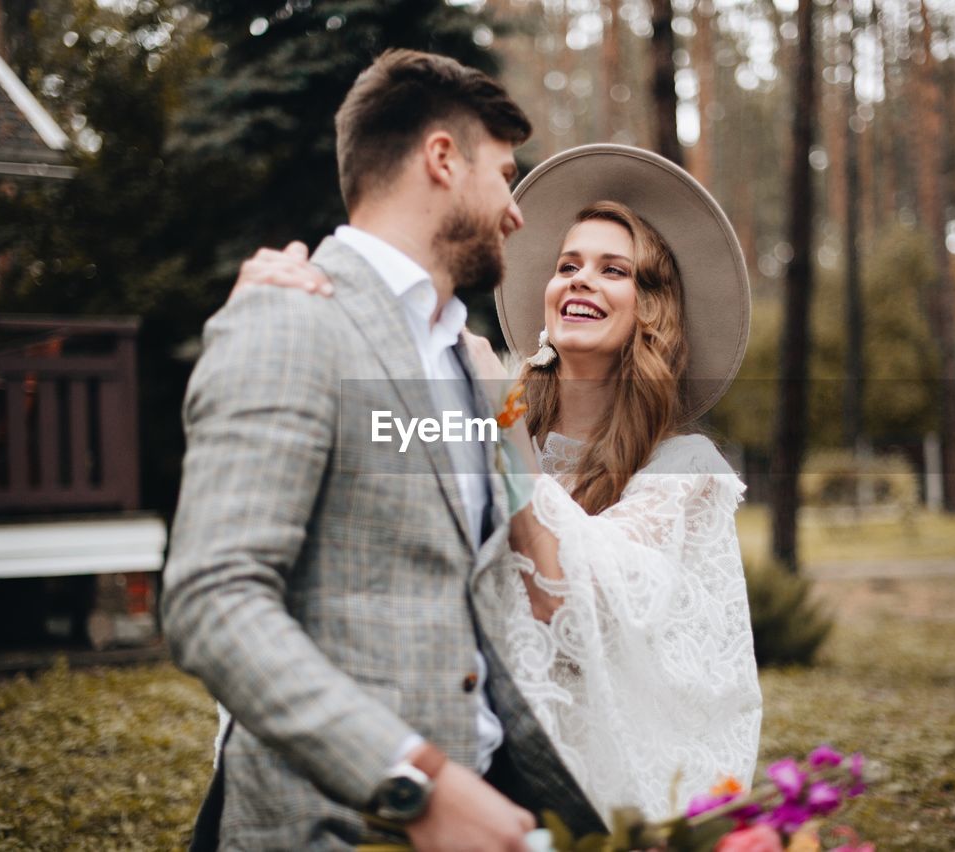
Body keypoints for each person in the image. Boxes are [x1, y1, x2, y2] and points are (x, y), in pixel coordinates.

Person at [236, 144, 763, 821]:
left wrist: (501, 423)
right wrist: (287, 306)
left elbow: (576, 598)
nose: (579, 280)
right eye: (567, 265)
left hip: (578, 793)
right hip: (457, 753)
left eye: (613, 270)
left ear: (652, 309)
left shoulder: (684, 470)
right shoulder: (477, 408)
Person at [162, 49, 605, 851]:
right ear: (442, 158)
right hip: (334, 826)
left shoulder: (463, 364)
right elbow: (211, 603)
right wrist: (416, 786)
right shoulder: (289, 321)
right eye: (504, 174)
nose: (516, 212)